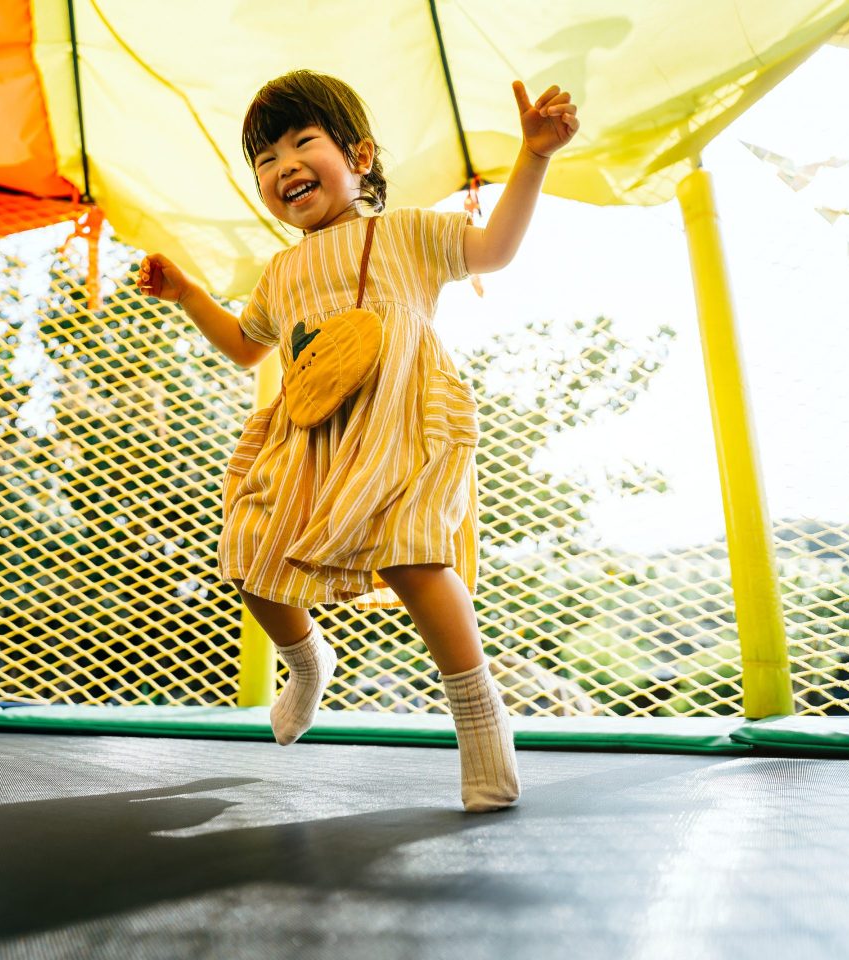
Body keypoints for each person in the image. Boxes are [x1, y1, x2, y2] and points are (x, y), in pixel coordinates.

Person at [138, 70, 578, 812]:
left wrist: (533, 156)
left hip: (402, 420)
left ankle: (480, 720)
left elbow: (495, 248)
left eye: (302, 143)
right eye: (265, 159)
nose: (283, 167)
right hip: (311, 436)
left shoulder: (404, 231)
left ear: (360, 156)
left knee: (415, 558)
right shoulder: (280, 272)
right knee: (251, 561)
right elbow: (249, 349)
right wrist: (188, 296)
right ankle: (308, 665)